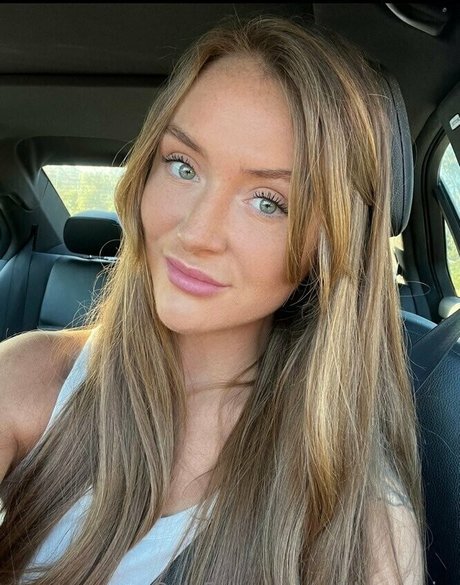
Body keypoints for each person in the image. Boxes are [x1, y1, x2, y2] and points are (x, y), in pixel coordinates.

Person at [0, 14, 425, 585]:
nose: (196, 232)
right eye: (182, 166)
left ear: (329, 244)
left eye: (268, 202)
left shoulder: (360, 525)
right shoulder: (28, 378)